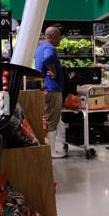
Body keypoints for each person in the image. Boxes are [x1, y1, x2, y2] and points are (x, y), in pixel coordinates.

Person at [35, 25, 68, 158]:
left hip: (45, 87)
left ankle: (50, 148)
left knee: (48, 117)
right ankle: (51, 151)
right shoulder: (49, 48)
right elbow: (48, 59)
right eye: (59, 36)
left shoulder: (40, 47)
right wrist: (53, 70)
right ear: (53, 35)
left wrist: (59, 67)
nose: (60, 39)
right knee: (51, 121)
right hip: (52, 89)